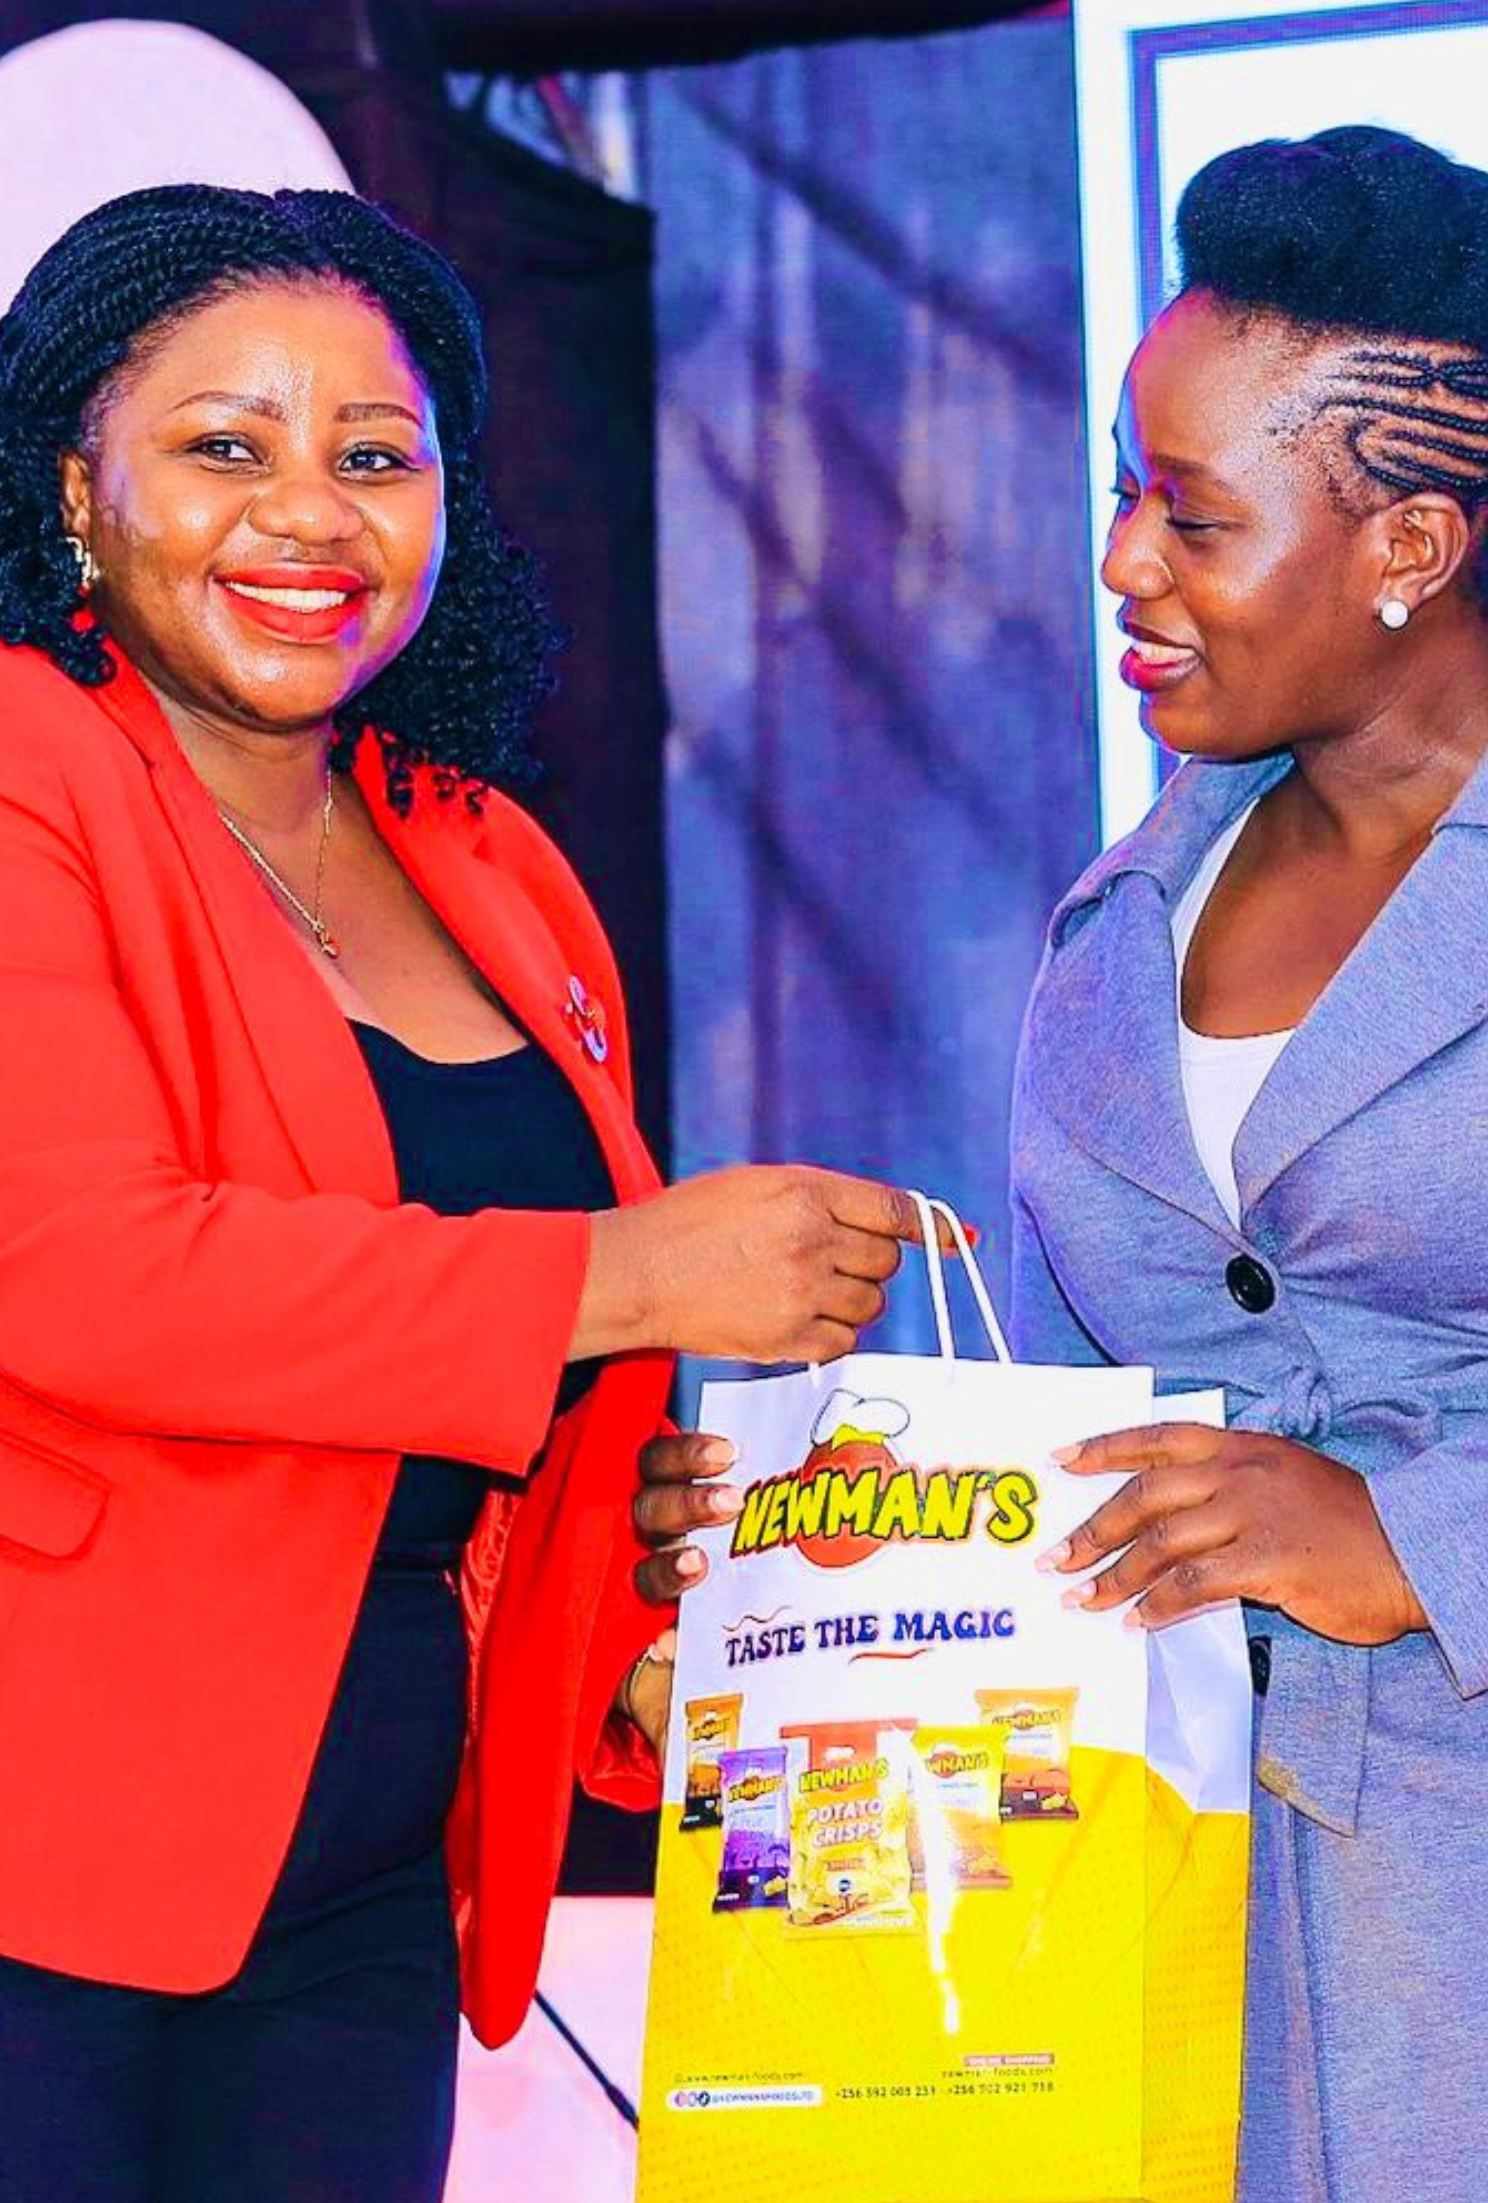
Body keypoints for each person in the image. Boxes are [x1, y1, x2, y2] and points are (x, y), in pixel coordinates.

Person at [646, 127, 1488, 2201]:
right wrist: (832, 1535)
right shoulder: (1122, 915)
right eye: (1117, 489)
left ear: (1410, 543)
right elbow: (1104, 1420)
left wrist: (1415, 1531)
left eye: (1189, 515)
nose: (1117, 568)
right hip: (1159, 1917)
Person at [0, 182, 926, 2203]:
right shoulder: (21, 770)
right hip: (41, 1869)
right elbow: (76, 1269)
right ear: (78, 491)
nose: (308, 513)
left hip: (362, 1882)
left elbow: (494, 1391)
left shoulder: (482, 852)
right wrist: (618, 1276)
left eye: (375, 455)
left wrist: (654, 1555)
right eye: (221, 446)